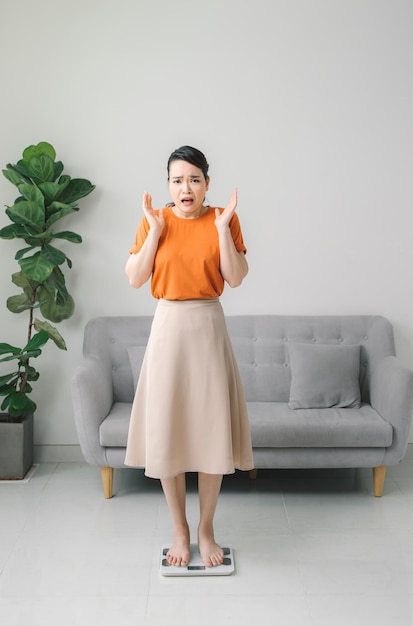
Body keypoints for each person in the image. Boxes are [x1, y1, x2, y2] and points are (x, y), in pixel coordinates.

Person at [124, 145, 253, 568]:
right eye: (177, 180)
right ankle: (180, 530)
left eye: (194, 179)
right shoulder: (155, 221)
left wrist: (220, 230)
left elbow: (234, 277)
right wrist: (155, 231)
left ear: (207, 184)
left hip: (208, 327)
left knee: (211, 431)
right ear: (168, 185)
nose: (186, 188)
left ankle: (206, 529)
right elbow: (136, 277)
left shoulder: (223, 220)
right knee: (168, 429)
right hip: (168, 329)